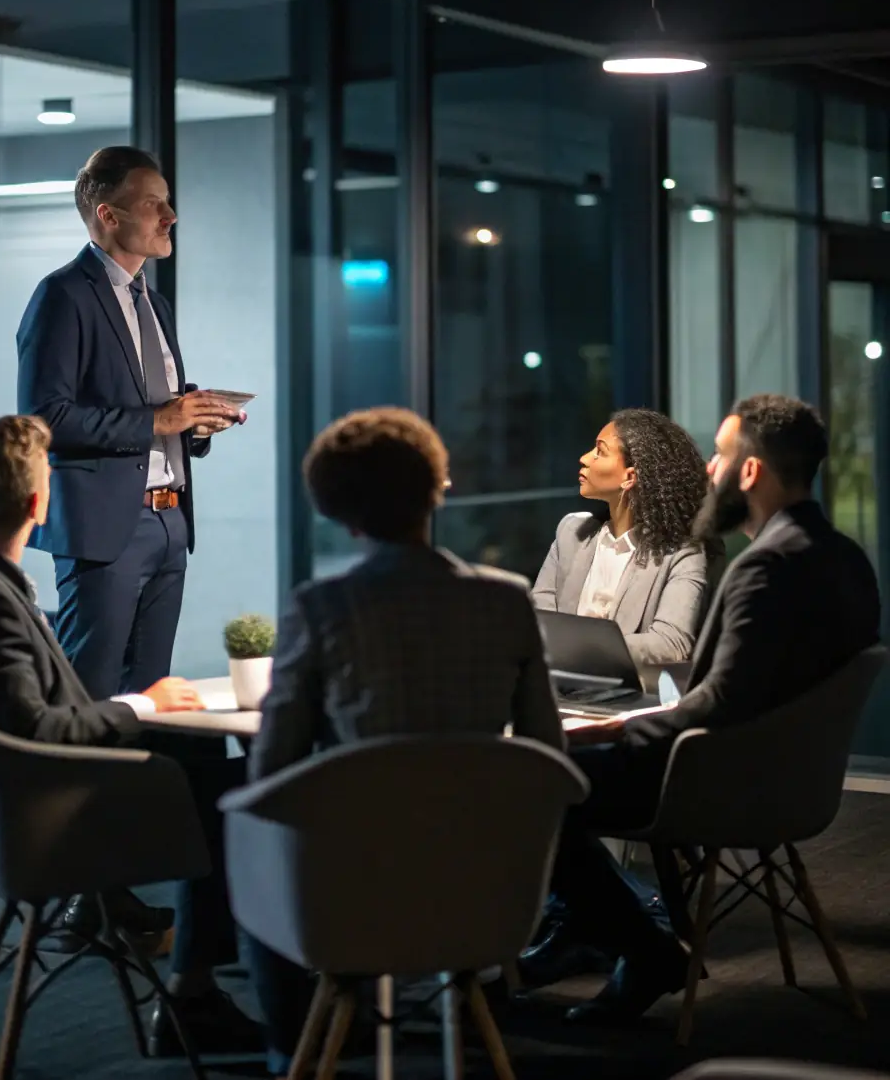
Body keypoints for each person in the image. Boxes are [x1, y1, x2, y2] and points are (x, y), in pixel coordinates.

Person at [0, 415, 260, 1059]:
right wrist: (137, 704)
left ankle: (206, 954)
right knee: (242, 794)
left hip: (7, 803)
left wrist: (147, 710)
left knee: (198, 746)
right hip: (45, 819)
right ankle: (197, 987)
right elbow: (38, 726)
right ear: (42, 503)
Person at [544, 394, 880, 1026]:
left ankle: (645, 951)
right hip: (792, 782)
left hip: (722, 782)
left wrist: (610, 732)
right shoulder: (843, 557)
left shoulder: (767, 569)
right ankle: (600, 933)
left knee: (543, 782)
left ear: (749, 473)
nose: (706, 472)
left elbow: (714, 708)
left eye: (720, 457)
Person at [247, 406, 563, 1075]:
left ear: (338, 510)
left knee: (247, 831)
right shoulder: (508, 601)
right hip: (490, 896)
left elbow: (270, 769)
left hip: (351, 900)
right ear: (437, 488)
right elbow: (546, 756)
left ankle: (288, 1048)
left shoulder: (320, 608)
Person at [17, 145, 242, 702]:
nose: (170, 218)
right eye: (154, 205)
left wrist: (194, 424)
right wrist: (161, 417)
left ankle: (136, 792)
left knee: (152, 696)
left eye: (168, 204)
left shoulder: (155, 304)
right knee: (91, 695)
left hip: (170, 524)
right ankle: (71, 790)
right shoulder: (62, 295)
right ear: (108, 216)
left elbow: (151, 412)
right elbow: (44, 419)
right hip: (104, 530)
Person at [533, 409, 721, 667]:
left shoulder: (682, 554)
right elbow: (537, 624)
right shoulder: (570, 534)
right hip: (560, 692)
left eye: (600, 452)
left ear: (630, 477)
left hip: (631, 698)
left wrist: (580, 650)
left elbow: (671, 642)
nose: (584, 459)